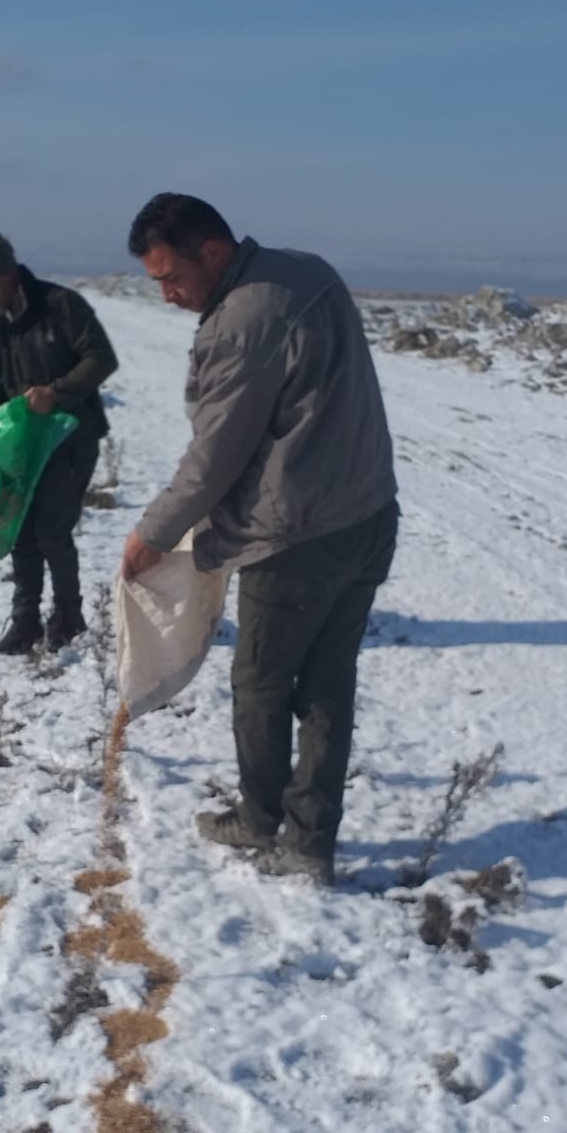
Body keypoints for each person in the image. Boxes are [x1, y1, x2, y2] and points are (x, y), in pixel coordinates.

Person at [122, 193, 398, 884]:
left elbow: (215, 455)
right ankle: (311, 840)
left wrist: (151, 536)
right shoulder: (307, 270)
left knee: (261, 684)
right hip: (368, 514)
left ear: (212, 251)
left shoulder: (244, 319)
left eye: (170, 277)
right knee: (330, 683)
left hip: (297, 535)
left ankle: (260, 821)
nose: (166, 295)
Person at [0, 232, 119, 654]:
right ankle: (25, 622)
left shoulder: (61, 305)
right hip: (22, 444)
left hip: (71, 438)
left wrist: (57, 391)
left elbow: (102, 358)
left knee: (53, 531)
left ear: (7, 273)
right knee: (21, 531)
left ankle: (69, 617)